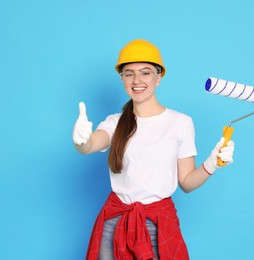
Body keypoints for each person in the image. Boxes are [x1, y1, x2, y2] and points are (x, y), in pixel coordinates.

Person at [73, 39, 235, 260]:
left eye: (145, 72)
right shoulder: (114, 122)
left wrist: (212, 163)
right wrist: (81, 140)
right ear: (122, 79)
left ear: (158, 77)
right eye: (129, 73)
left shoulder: (180, 122)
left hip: (158, 225)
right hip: (115, 221)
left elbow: (186, 182)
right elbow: (91, 144)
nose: (137, 80)